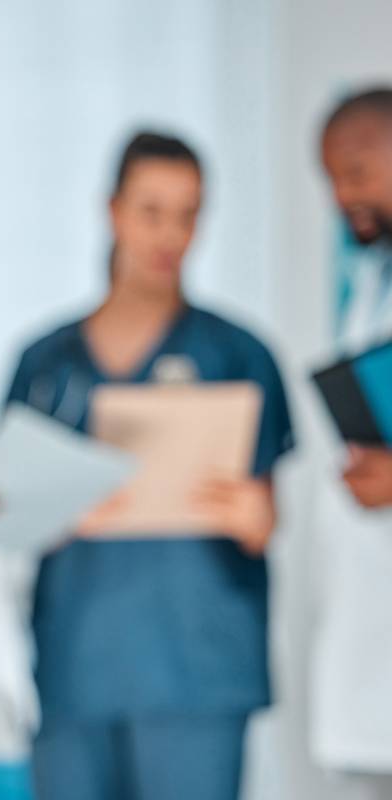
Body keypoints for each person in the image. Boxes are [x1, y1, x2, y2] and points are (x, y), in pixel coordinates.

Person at [4, 131, 294, 800]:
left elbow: (266, 510)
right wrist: (58, 511)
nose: (171, 234)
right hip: (79, 667)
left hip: (198, 669)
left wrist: (258, 518)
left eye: (189, 214)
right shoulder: (46, 365)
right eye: (152, 211)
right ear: (113, 211)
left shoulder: (240, 355)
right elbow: (5, 518)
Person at [312, 87, 392, 799]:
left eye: (358, 170)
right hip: (371, 638)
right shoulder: (366, 284)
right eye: (331, 177)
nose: (342, 194)